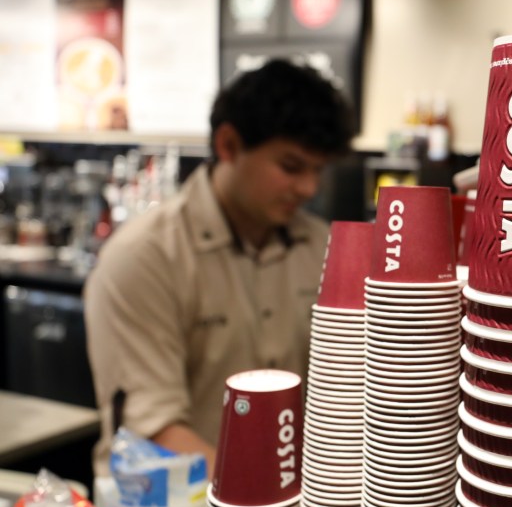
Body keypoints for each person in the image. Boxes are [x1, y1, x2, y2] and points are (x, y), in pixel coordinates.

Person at [84, 59, 354, 476]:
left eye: (317, 171)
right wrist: (274, 502)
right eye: (291, 167)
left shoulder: (324, 249)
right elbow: (154, 431)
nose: (309, 189)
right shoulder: (145, 257)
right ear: (228, 145)